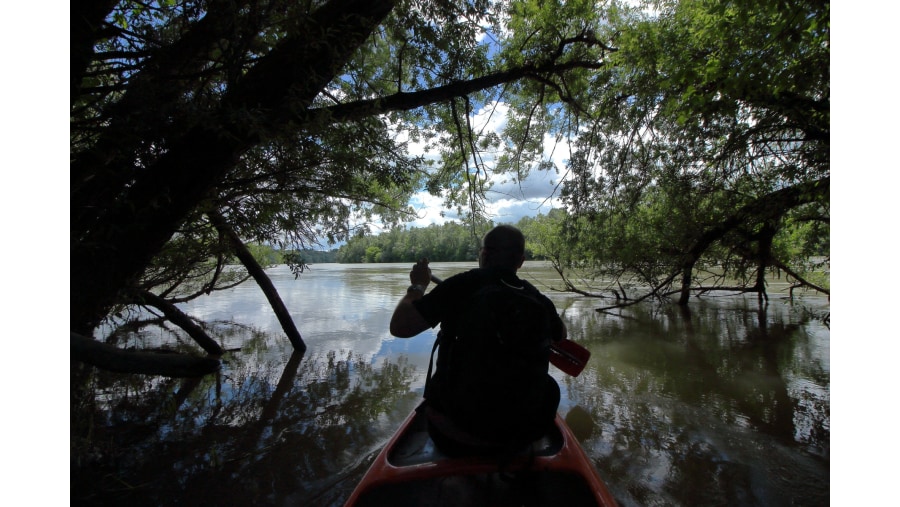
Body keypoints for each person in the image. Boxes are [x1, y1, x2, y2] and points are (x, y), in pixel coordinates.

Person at [390, 225, 567, 456]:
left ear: (483, 255)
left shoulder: (462, 285)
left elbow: (400, 326)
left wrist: (418, 286)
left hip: (457, 434)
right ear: (521, 261)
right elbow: (561, 335)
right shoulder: (536, 297)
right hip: (525, 432)